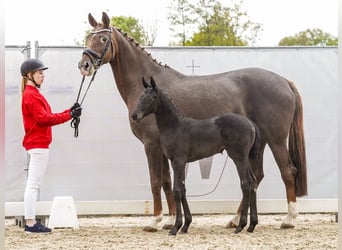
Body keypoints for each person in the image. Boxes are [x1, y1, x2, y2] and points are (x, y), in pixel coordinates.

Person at [20, 58, 82, 233]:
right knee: (33, 184)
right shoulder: (31, 95)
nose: (43, 76)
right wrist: (69, 115)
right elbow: (44, 119)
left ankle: (31, 222)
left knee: (33, 184)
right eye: (40, 73)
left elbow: (47, 116)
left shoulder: (33, 94)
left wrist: (69, 111)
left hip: (38, 143)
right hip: (38, 144)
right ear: (30, 75)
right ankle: (31, 223)